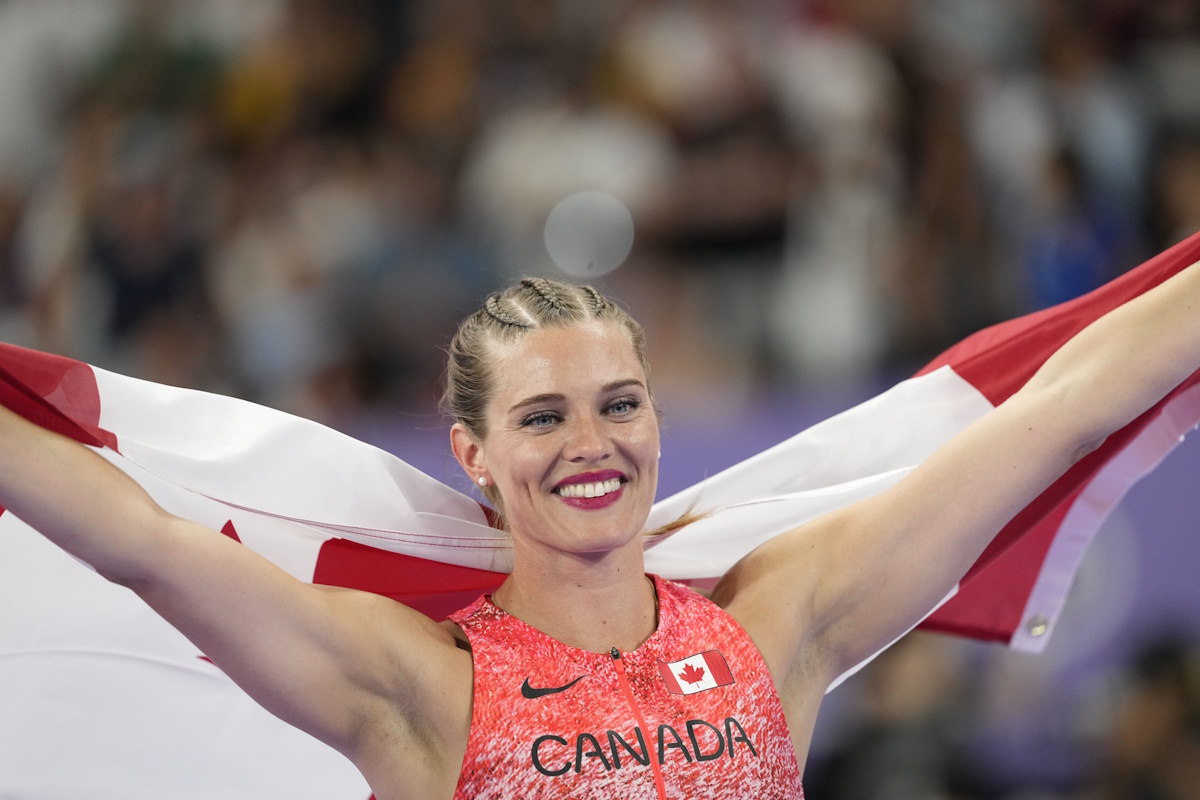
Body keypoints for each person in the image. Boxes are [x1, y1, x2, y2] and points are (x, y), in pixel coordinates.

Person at [0, 269, 1198, 800]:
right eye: (543, 416)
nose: (592, 443)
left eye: (619, 403)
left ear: (657, 419)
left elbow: (1065, 402)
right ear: (472, 453)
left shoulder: (776, 624)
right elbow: (139, 539)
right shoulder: (420, 687)